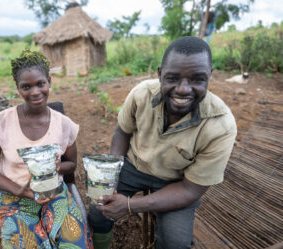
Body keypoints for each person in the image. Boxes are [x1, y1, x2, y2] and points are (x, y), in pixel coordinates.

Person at [88, 36, 237, 249]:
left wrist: (129, 206)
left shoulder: (220, 126)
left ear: (210, 76)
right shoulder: (142, 95)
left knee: (175, 243)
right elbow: (122, 132)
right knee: (98, 208)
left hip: (176, 181)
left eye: (197, 79)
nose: (183, 89)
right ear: (160, 75)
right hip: (133, 164)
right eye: (172, 78)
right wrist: (111, 175)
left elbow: (190, 190)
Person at [0, 49, 92, 249]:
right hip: (14, 196)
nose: (35, 92)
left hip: (54, 193)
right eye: (26, 86)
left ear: (49, 81)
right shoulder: (1, 122)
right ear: (18, 88)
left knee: (75, 243)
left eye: (40, 84)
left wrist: (55, 168)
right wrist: (19, 190)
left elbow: (72, 164)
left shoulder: (64, 124)